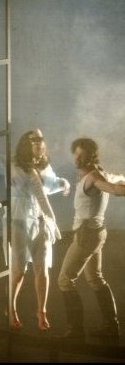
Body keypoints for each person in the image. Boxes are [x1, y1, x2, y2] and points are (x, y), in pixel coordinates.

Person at [0, 114, 70, 331]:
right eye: (34, 140)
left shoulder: (44, 166)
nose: (39, 144)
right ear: (26, 144)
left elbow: (49, 185)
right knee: (18, 271)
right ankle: (11, 307)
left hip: (40, 221)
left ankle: (41, 311)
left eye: (41, 140)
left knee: (42, 269)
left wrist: (63, 183)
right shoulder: (13, 163)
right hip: (18, 220)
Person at [58, 137, 125, 342]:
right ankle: (111, 327)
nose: (77, 159)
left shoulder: (94, 177)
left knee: (65, 280)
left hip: (87, 235)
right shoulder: (98, 172)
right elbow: (117, 178)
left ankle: (76, 332)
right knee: (95, 278)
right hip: (96, 233)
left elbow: (114, 189)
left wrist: (120, 186)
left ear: (91, 156)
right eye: (76, 154)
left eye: (82, 155)